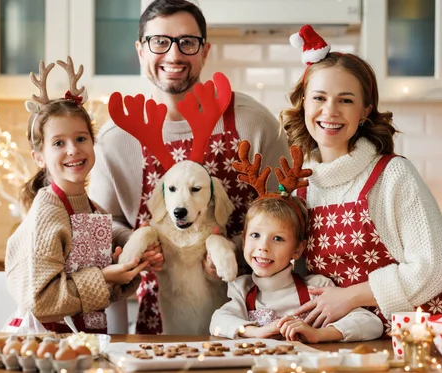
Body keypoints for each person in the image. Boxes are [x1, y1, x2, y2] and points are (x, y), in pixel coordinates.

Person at [89, 0, 291, 334]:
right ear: (141, 50)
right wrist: (144, 245)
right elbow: (104, 223)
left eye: (187, 42)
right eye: (159, 42)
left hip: (256, 317)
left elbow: (288, 206)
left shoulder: (252, 123)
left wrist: (238, 251)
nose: (173, 55)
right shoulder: (115, 140)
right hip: (162, 320)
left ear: (205, 50)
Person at [280, 25, 442, 333]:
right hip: (347, 341)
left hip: (422, 339)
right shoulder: (302, 187)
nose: (330, 111)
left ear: (365, 110)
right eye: (319, 98)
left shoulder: (393, 175)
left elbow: (435, 271)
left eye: (346, 100)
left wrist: (350, 297)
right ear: (304, 104)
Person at [5, 58, 157, 334]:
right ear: (39, 157)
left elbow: (97, 289)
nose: (73, 150)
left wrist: (133, 260)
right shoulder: (47, 212)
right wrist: (104, 277)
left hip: (86, 341)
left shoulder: (92, 209)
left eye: (81, 138)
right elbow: (41, 300)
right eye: (59, 143)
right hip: (47, 345)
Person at [210, 140, 383, 342]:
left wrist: (318, 334)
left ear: (297, 250)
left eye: (278, 238)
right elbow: (217, 321)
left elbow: (371, 323)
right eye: (255, 235)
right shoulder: (243, 288)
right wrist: (256, 332)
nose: (263, 247)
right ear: (244, 238)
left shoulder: (315, 288)